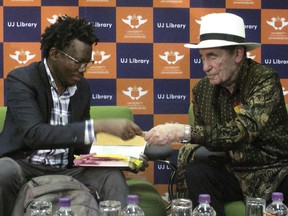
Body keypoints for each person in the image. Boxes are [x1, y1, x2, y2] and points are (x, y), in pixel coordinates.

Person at [144, 12, 288, 215]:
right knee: (197, 172)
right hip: (231, 172)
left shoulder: (264, 80)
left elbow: (242, 132)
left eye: (213, 56)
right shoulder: (202, 90)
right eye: (202, 57)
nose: (205, 67)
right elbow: (204, 141)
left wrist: (181, 131)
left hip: (273, 172)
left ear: (238, 54)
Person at [0, 15, 143, 215]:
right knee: (2, 171)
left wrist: (124, 157)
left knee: (111, 175)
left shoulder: (82, 88)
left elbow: (81, 146)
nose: (83, 69)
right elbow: (35, 134)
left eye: (88, 62)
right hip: (25, 165)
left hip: (68, 167)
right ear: (54, 53)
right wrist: (99, 126)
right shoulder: (22, 80)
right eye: (78, 62)